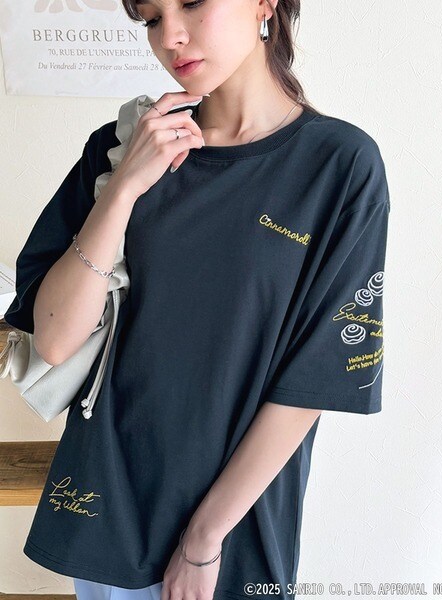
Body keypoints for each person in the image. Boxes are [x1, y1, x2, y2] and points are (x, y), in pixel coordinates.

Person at [3, 1, 391, 599]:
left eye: (191, 2)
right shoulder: (122, 146)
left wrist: (204, 538)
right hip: (107, 506)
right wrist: (124, 187)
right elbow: (54, 340)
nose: (171, 36)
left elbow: (315, 380)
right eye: (151, 18)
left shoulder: (338, 166)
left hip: (235, 530)